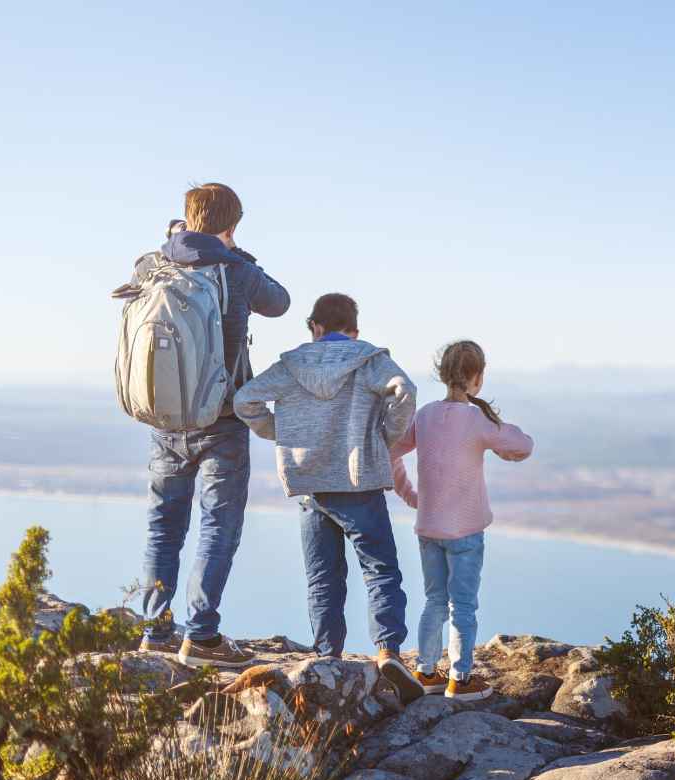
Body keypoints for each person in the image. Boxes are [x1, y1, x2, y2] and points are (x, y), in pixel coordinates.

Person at [233, 293, 425, 701]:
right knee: (380, 569)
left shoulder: (291, 365)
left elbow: (244, 399)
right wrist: (383, 437)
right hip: (358, 482)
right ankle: (387, 650)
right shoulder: (369, 359)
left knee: (323, 576)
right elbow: (404, 390)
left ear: (314, 327)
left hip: (310, 483)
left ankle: (327, 657)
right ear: (353, 330)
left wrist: (281, 433)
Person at [131, 183, 291, 668]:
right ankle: (201, 636)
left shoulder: (156, 263)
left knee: (164, 526)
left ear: (186, 217)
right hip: (222, 418)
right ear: (232, 224)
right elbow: (280, 302)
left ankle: (155, 632)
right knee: (218, 525)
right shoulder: (236, 269)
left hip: (166, 418)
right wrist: (233, 253)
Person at [389, 340, 534, 701]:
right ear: (477, 377)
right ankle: (461, 678)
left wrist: (413, 497)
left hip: (428, 527)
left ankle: (425, 672)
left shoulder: (424, 415)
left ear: (443, 375)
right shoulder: (477, 419)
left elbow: (391, 455)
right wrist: (499, 439)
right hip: (465, 532)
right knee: (463, 605)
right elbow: (524, 445)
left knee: (434, 601)